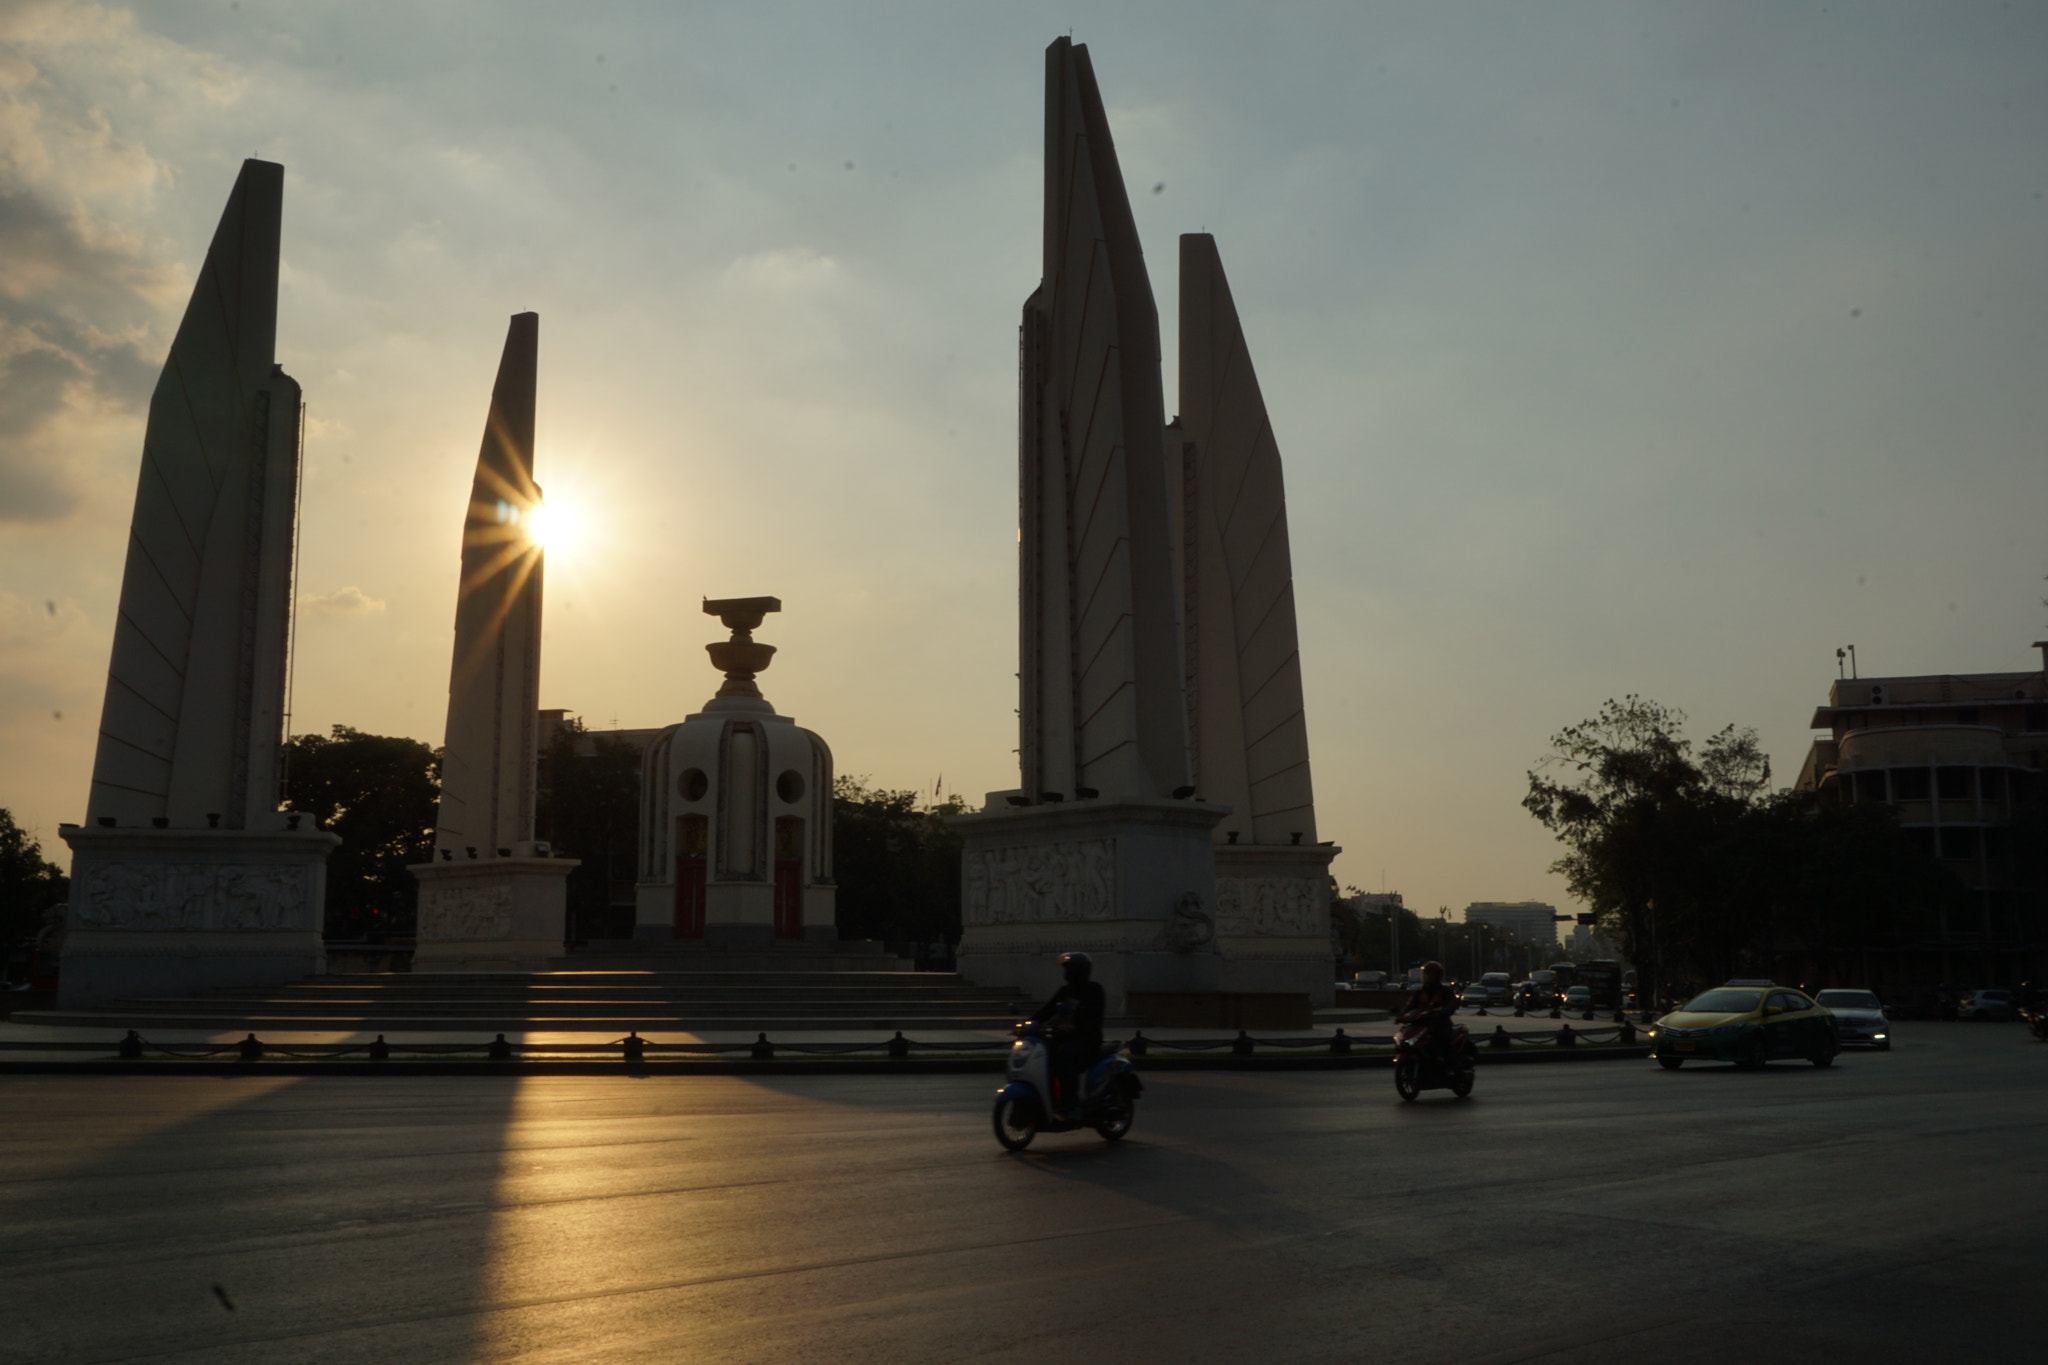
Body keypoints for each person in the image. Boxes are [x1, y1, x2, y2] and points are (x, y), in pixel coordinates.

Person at [1030, 951, 1106, 1119]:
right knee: (1042, 1052)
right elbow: (1047, 1010)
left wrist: (1075, 1028)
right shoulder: (1065, 991)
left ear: (1081, 971)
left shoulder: (1094, 990)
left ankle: (1071, 1105)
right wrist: (1029, 1024)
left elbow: (1094, 1018)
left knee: (1066, 1055)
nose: (1067, 973)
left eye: (1070, 969)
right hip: (1063, 1037)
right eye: (1066, 969)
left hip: (1087, 1040)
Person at [1400, 961, 1458, 1060]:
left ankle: (1450, 1067)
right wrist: (1402, 1015)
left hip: (1440, 1025)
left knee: (1444, 1041)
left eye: (1428, 974)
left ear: (1436, 975)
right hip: (1422, 1024)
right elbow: (1409, 1006)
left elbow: (1452, 1004)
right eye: (1424, 974)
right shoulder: (1419, 992)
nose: (1425, 977)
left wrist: (1442, 1013)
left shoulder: (1445, 991)